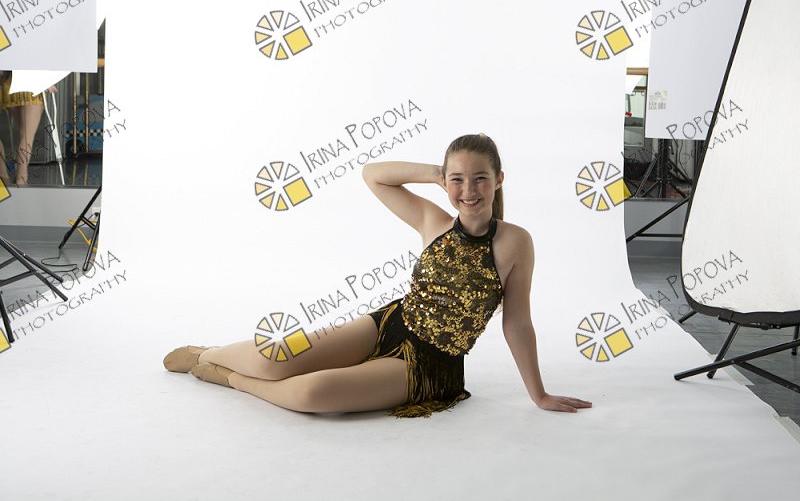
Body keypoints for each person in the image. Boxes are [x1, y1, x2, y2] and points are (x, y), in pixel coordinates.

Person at [163, 133, 592, 418]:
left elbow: (517, 323)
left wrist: (538, 394)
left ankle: (230, 378)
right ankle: (210, 351)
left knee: (312, 395)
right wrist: (436, 174)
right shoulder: (433, 220)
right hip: (389, 322)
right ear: (445, 182)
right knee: (273, 359)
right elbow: (374, 176)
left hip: (432, 364)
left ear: (498, 180)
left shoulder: (515, 242)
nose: (469, 191)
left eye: (480, 179)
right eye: (458, 180)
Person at [0, 71, 55, 187]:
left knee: (23, 134)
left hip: (9, 85)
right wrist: (47, 81)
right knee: (26, 136)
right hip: (31, 85)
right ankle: (21, 180)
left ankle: (4, 177)